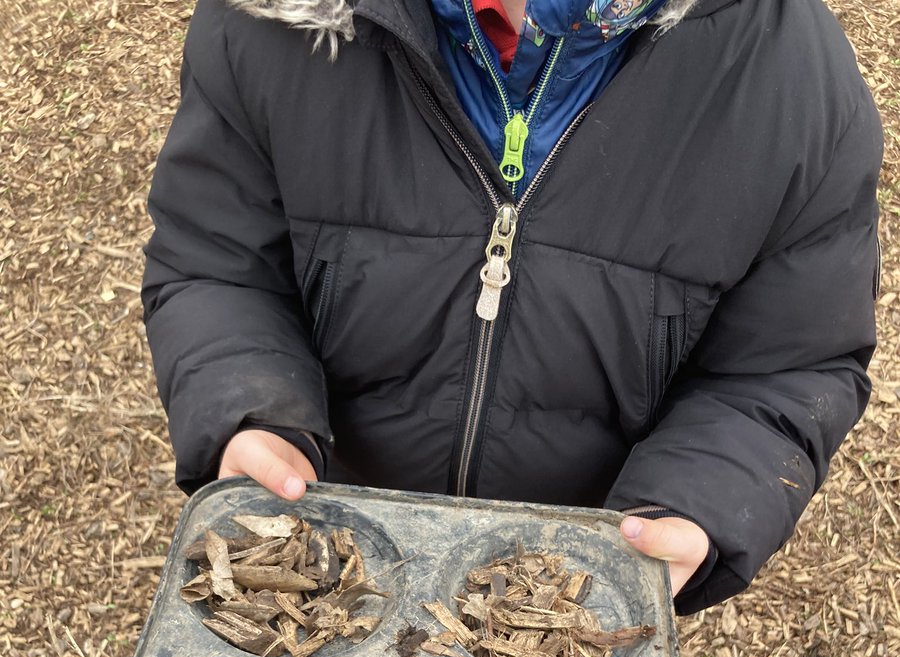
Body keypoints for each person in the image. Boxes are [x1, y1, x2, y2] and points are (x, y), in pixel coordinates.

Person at [142, 0, 882, 613]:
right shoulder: (269, 25)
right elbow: (219, 260)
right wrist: (253, 411)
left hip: (565, 589)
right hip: (335, 548)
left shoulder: (794, 87)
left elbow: (787, 365)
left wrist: (693, 503)